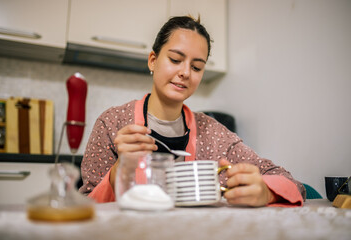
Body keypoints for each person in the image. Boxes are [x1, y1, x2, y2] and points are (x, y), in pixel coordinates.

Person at [79, 16, 306, 207]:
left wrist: (266, 192)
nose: (185, 72)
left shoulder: (214, 134)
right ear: (152, 60)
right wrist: (120, 170)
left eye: (196, 67)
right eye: (175, 59)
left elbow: (291, 183)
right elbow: (84, 206)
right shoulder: (112, 123)